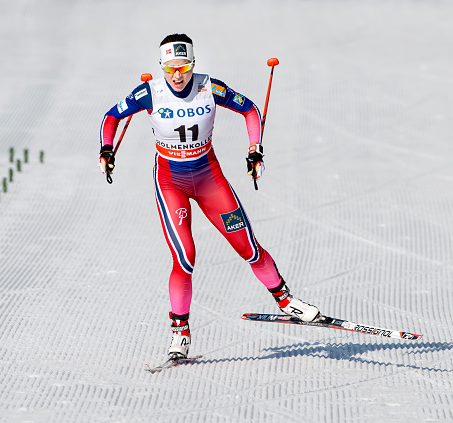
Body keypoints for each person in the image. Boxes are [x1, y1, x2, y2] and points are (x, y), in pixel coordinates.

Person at [99, 34, 320, 360]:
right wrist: (106, 149)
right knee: (185, 257)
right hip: (170, 182)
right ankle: (180, 334)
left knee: (249, 246)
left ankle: (286, 301)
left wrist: (254, 149)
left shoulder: (210, 87)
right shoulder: (150, 93)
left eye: (184, 67)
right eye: (171, 68)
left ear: (193, 64)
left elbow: (250, 111)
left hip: (208, 179)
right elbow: (111, 117)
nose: (178, 75)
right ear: (162, 67)